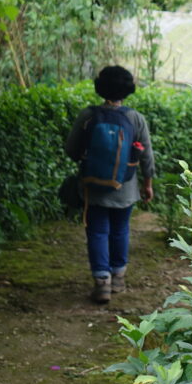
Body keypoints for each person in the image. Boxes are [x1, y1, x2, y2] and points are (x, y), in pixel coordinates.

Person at [65, 65, 154, 304]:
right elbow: (146, 156)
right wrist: (147, 184)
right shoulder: (135, 118)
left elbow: (71, 149)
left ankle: (101, 283)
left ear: (100, 88)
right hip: (125, 187)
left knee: (97, 231)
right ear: (128, 90)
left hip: (92, 185)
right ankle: (118, 278)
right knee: (120, 229)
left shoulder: (88, 115)